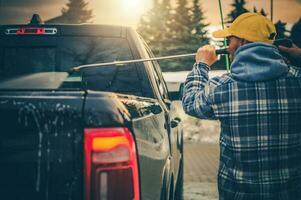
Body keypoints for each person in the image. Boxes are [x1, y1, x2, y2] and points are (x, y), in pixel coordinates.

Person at [182, 12, 301, 200]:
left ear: (242, 42)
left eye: (230, 40)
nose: (228, 47)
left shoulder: (220, 88)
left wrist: (201, 65)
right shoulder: (297, 80)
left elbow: (191, 102)